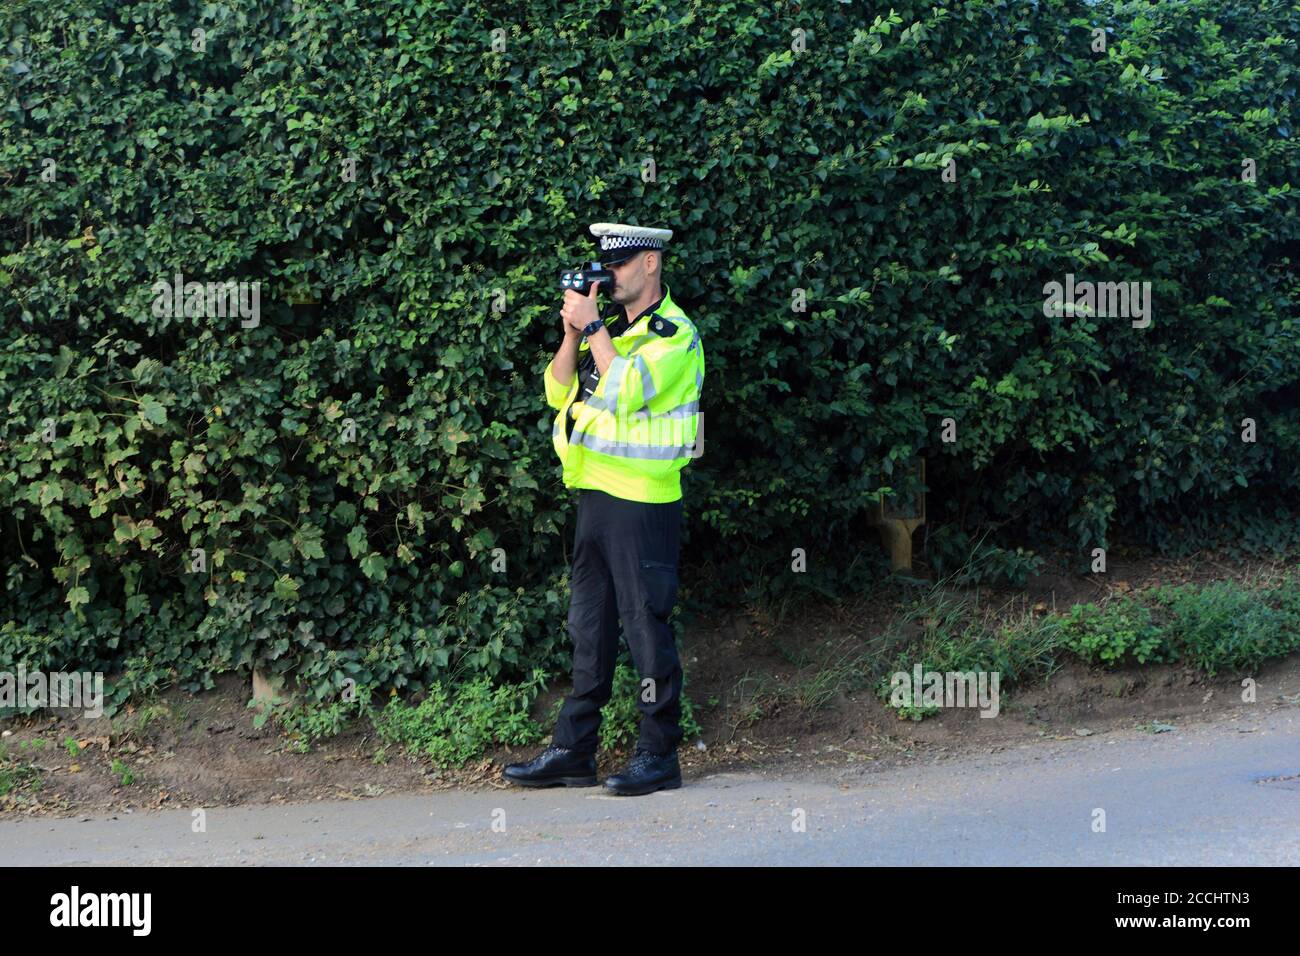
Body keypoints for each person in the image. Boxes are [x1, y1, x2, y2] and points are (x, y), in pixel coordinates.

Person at [503, 222, 705, 796]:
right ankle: (574, 751)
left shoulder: (675, 336)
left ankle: (659, 755)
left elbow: (624, 392)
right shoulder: (611, 331)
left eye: (618, 264)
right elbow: (557, 388)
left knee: (646, 631)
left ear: (650, 264)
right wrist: (573, 333)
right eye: (603, 265)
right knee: (588, 629)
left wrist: (594, 328)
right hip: (594, 495)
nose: (607, 275)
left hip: (643, 502)